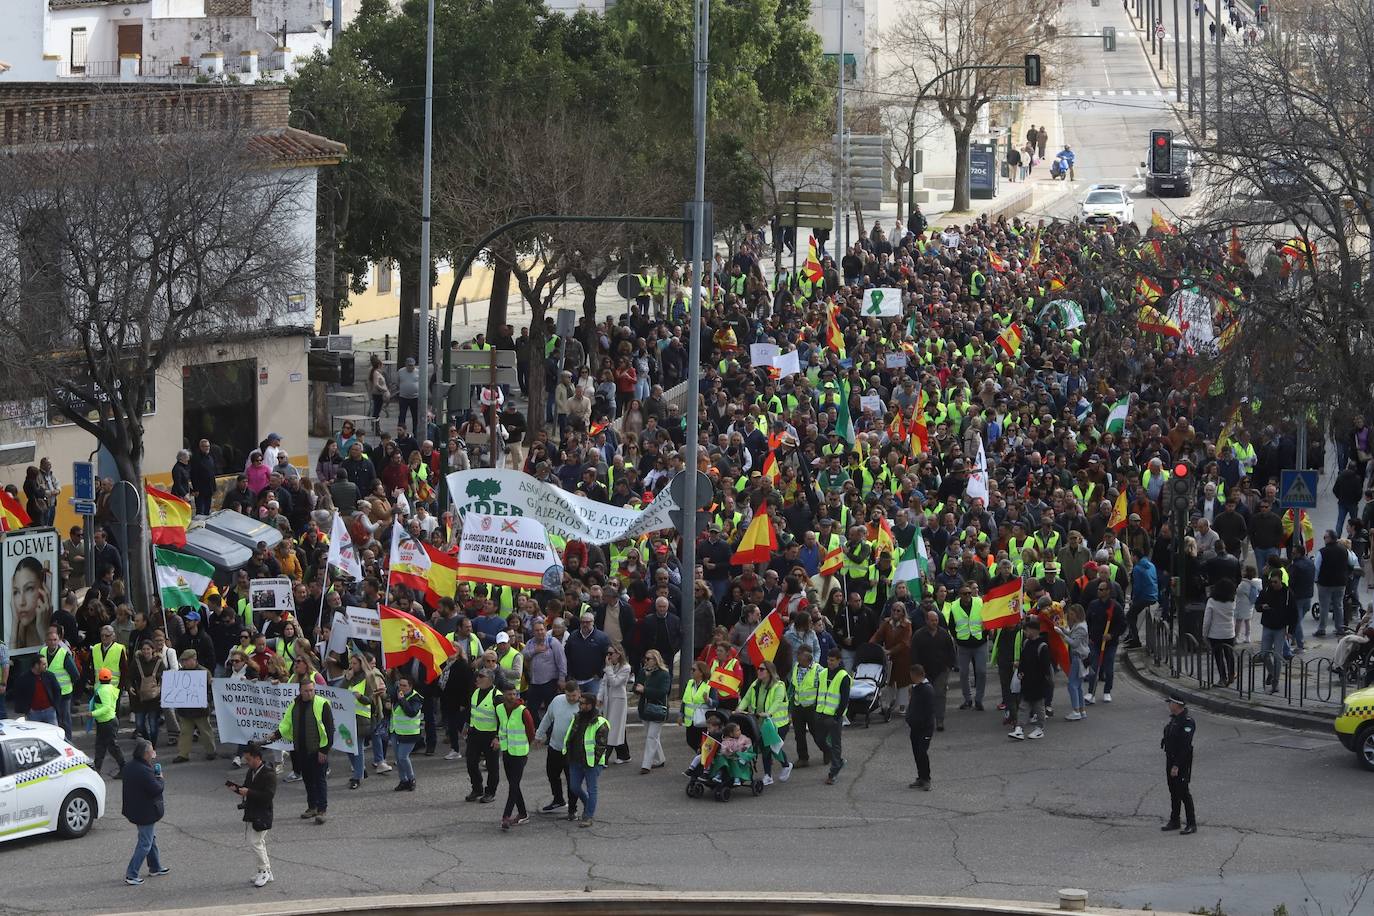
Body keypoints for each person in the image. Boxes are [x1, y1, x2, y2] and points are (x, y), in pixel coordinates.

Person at [266, 680, 333, 825]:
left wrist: (324, 750)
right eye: (306, 691)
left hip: (317, 750)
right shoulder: (294, 705)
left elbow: (329, 729)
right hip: (301, 749)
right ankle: (312, 807)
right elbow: (286, 724)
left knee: (320, 780)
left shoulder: (322, 704)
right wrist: (276, 734)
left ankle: (322, 810)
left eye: (311, 690)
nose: (309, 693)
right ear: (300, 691)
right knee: (308, 779)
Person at [228, 742, 277, 888]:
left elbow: (268, 796)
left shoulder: (269, 774)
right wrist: (238, 790)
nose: (247, 762)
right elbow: (247, 787)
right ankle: (265, 870)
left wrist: (248, 792)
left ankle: (264, 871)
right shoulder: (252, 771)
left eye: (249, 759)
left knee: (255, 842)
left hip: (262, 813)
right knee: (258, 842)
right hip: (253, 811)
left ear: (257, 758)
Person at [122, 738, 169, 886]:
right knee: (145, 843)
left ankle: (155, 867)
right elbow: (156, 789)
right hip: (145, 812)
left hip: (134, 809)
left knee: (150, 838)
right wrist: (160, 779)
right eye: (151, 751)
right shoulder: (145, 771)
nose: (154, 753)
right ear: (146, 754)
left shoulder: (130, 766)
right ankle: (132, 873)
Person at [563, 691, 610, 827]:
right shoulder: (577, 717)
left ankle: (588, 816)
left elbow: (601, 746)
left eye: (583, 704)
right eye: (580, 703)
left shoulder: (600, 723)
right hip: (575, 760)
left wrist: (594, 762)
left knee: (592, 789)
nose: (580, 706)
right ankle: (588, 802)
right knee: (574, 787)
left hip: (591, 763)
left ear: (591, 705)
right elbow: (570, 735)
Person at [534, 680, 581, 816]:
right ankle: (558, 800)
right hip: (555, 746)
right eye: (568, 695)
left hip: (572, 751)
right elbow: (547, 718)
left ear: (579, 693)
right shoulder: (557, 700)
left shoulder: (583, 706)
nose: (571, 699)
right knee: (552, 774)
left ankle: (572, 809)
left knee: (572, 780)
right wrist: (539, 735)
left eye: (574, 696)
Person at [496, 685, 535, 829]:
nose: (512, 697)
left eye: (514, 694)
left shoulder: (523, 711)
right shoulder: (499, 709)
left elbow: (531, 731)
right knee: (514, 784)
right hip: (506, 751)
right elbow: (500, 726)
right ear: (503, 695)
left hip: (520, 753)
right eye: (509, 694)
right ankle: (523, 814)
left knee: (513, 785)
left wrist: (526, 745)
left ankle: (506, 816)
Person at [1008, 616, 1052, 740]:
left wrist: (1043, 682)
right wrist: (1020, 671)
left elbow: (1045, 667)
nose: (1025, 633)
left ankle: (1040, 728)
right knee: (1023, 706)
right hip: (1026, 682)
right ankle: (1019, 728)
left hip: (1038, 683)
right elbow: (1023, 660)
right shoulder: (1027, 643)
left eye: (1027, 630)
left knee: (1039, 707)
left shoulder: (1042, 647)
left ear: (1034, 630)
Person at [1161, 694, 1198, 835]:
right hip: (1170, 760)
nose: (1169, 705)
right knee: (1173, 791)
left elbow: (1185, 747)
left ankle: (1191, 823)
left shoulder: (1187, 722)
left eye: (1170, 703)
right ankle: (1174, 820)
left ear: (1177, 705)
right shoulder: (1174, 720)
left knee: (1183, 792)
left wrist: (1176, 765)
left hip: (1181, 762)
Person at [171, 649, 217, 762]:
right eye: (183, 661)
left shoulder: (204, 672)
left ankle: (211, 751)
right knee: (185, 732)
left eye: (186, 660)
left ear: (194, 659)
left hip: (200, 709)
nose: (184, 663)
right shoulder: (180, 673)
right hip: (185, 709)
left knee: (205, 730)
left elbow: (211, 690)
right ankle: (183, 754)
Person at [464, 668, 501, 802]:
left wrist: (498, 737)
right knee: (471, 762)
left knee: (492, 766)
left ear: (490, 679)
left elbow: (503, 720)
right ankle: (477, 788)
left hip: (490, 736)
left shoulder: (497, 696)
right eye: (477, 676)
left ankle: (490, 792)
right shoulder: (476, 692)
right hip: (475, 733)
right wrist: (467, 725)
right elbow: (471, 710)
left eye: (481, 676)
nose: (477, 679)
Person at [817, 647, 850, 785]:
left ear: (838, 661)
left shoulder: (843, 677)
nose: (829, 662)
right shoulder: (823, 673)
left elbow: (844, 699)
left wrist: (837, 716)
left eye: (832, 660)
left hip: (834, 716)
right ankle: (838, 760)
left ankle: (833, 772)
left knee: (836, 744)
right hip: (821, 713)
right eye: (828, 660)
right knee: (819, 739)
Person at [634, 649, 671, 773]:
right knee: (653, 736)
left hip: (657, 709)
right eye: (645, 658)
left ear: (656, 660)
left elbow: (663, 692)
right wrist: (637, 689)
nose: (646, 661)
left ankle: (646, 765)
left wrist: (645, 690)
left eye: (649, 658)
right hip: (644, 708)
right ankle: (660, 759)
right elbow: (636, 686)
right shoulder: (643, 672)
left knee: (651, 737)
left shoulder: (664, 674)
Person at [598, 643, 633, 764]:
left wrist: (608, 668)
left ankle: (605, 757)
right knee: (618, 728)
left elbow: (614, 682)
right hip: (609, 700)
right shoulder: (611, 666)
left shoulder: (625, 668)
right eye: (607, 653)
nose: (608, 656)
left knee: (612, 728)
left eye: (611, 653)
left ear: (618, 654)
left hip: (618, 701)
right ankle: (624, 754)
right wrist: (599, 697)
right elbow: (604, 682)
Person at [90, 667, 127, 778]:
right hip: (108, 721)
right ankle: (97, 769)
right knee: (105, 746)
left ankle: (122, 767)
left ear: (99, 678)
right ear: (110, 679)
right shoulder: (111, 688)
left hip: (106, 722)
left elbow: (105, 707)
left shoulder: (102, 690)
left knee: (108, 747)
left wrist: (92, 714)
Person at [9, 556, 53, 650]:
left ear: (44, 589)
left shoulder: (57, 622)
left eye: (29, 588)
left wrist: (43, 631)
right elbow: (10, 660)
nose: (21, 602)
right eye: (16, 592)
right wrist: (14, 623)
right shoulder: (20, 631)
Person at [389, 673, 424, 791]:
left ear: (411, 686)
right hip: (396, 731)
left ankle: (411, 778)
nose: (401, 688)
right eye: (400, 685)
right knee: (398, 759)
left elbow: (411, 712)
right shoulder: (398, 694)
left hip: (409, 733)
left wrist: (402, 699)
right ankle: (403, 780)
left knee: (403, 757)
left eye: (404, 686)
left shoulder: (416, 698)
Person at [1201, 579, 1238, 687]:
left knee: (1218, 656)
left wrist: (1204, 634)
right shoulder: (1232, 601)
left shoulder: (1212, 601)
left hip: (1215, 634)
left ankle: (1223, 678)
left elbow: (1207, 620)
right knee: (1229, 655)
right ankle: (1231, 674)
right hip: (1229, 633)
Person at [906, 663, 936, 790]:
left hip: (925, 728)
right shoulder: (916, 688)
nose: (912, 679)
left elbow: (929, 711)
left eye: (913, 676)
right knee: (916, 753)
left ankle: (926, 779)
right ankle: (920, 777)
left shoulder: (927, 690)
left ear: (920, 675)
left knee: (922, 752)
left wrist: (922, 723)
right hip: (915, 727)